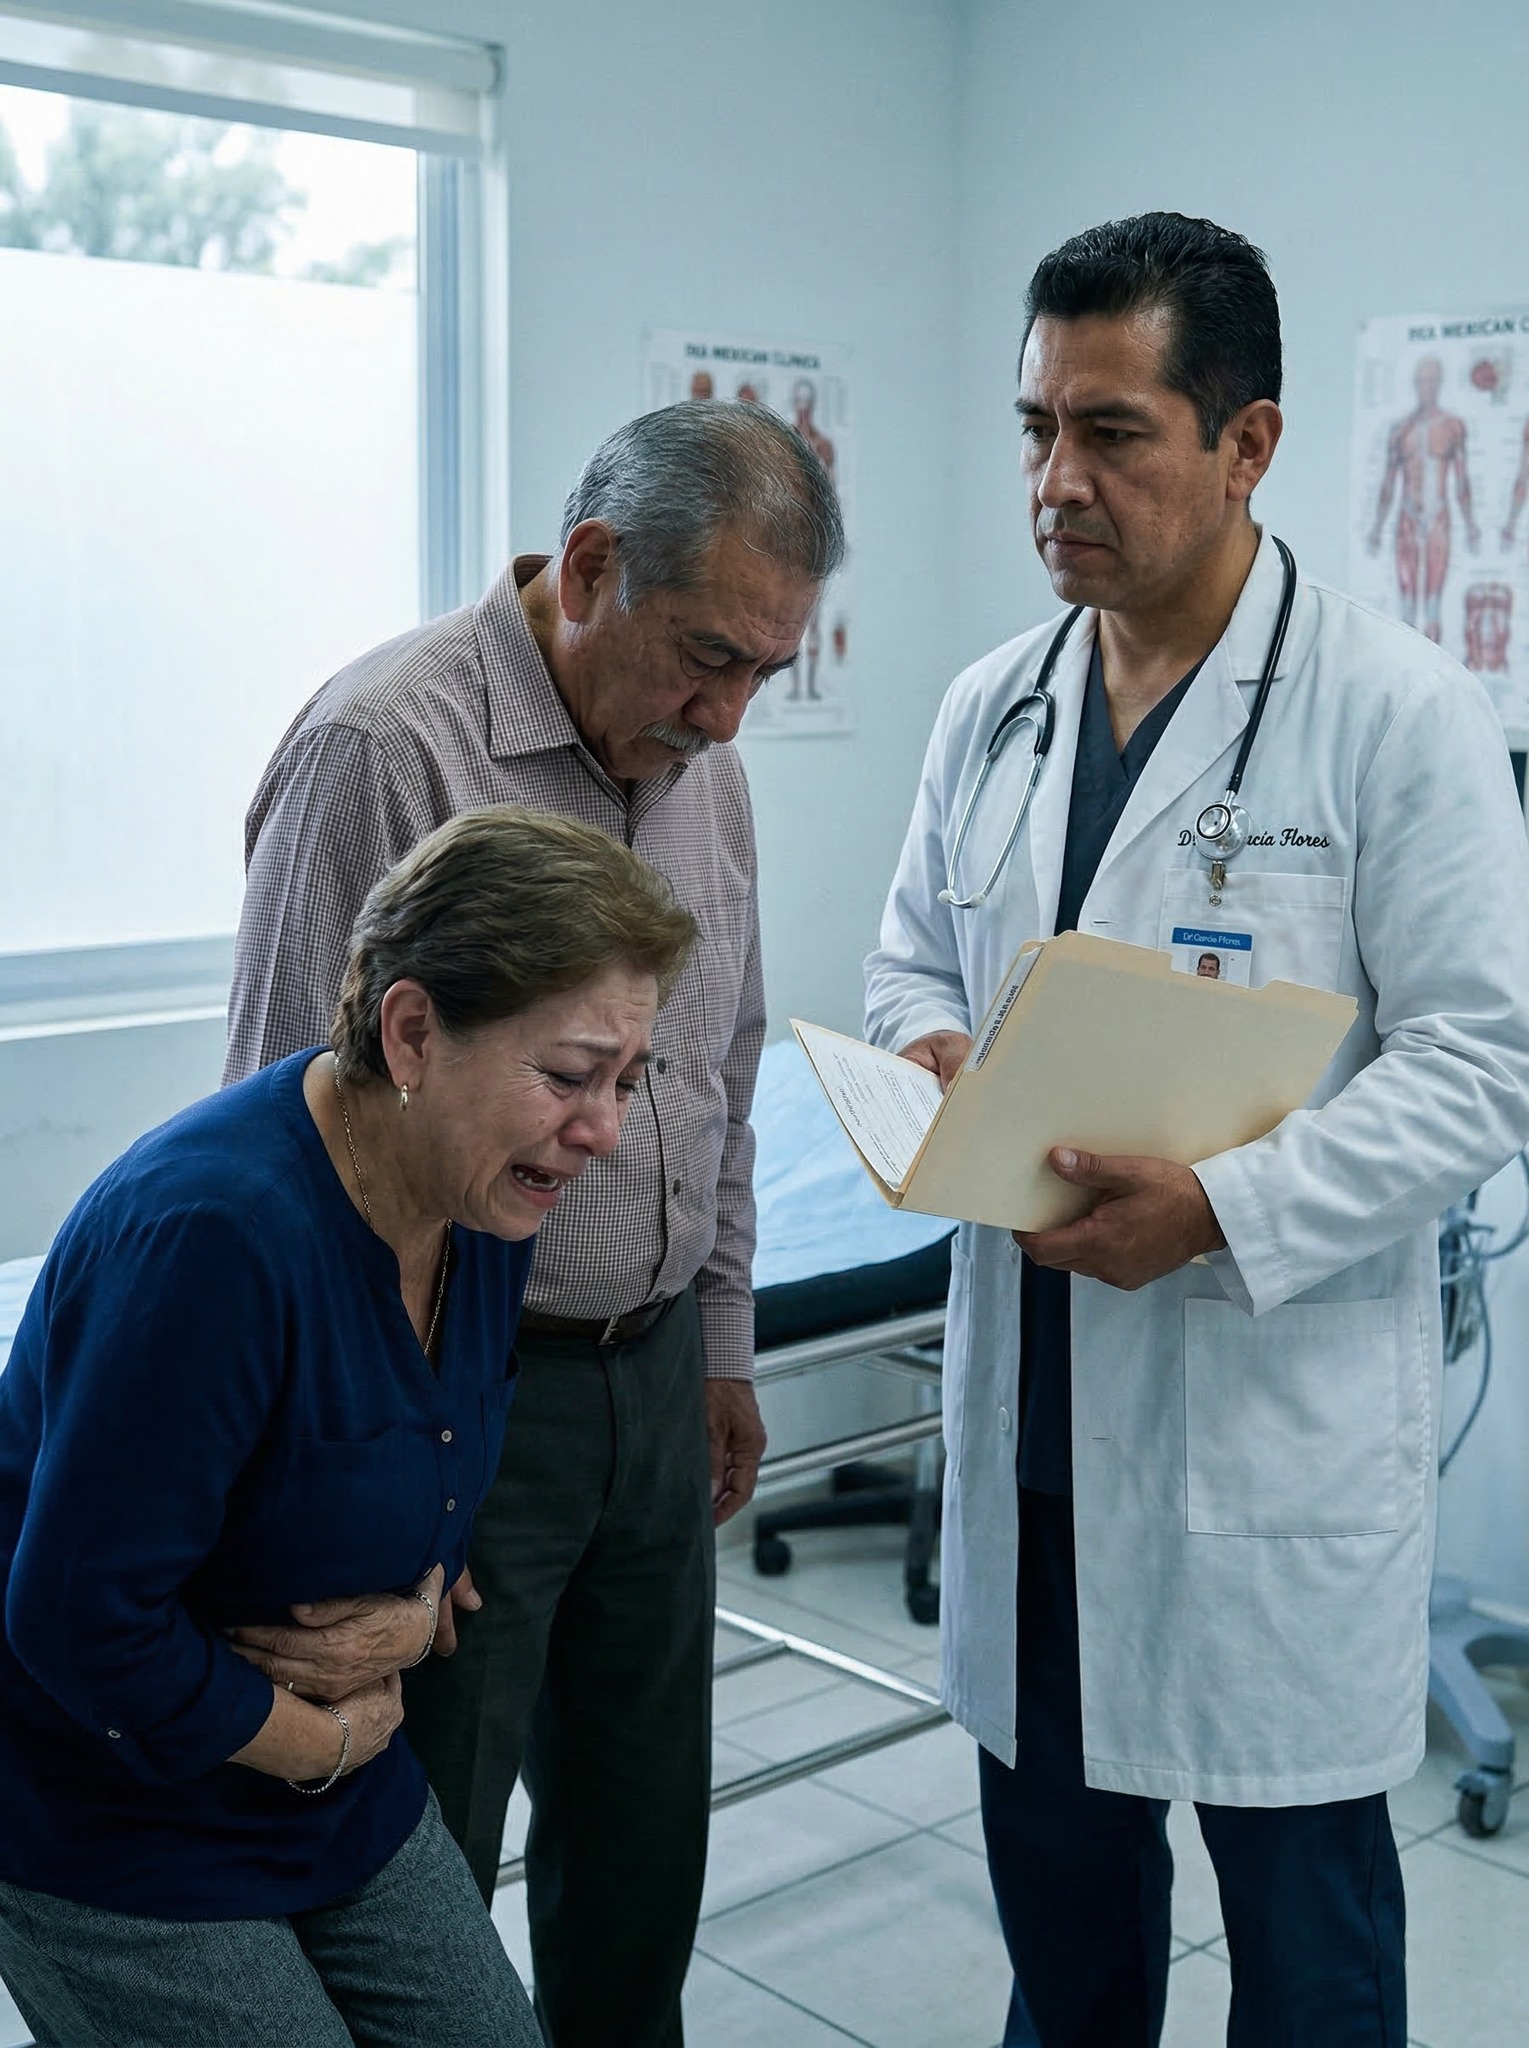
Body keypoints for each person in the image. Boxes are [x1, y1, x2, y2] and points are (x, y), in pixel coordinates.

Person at [864, 212, 1529, 2047]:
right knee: (1066, 1952)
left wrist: (1225, 1206)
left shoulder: (1395, 712)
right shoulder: (990, 708)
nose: (1053, 482)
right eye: (1033, 429)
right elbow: (905, 955)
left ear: (1245, 444)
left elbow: (1485, 1061)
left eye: (1109, 433)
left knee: (1308, 1969)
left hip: (1260, 1440)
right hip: (1034, 1435)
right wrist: (929, 1049)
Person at [223, 399, 844, 2048]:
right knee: (420, 1859)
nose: (726, 714)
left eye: (764, 673)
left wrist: (718, 1339)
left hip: (651, 1374)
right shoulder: (384, 748)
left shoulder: (705, 772)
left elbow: (718, 1069)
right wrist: (362, 1477)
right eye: (705, 656)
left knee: (639, 1851)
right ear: (586, 569)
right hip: (457, 1394)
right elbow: (281, 1154)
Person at [0, 805, 696, 2048]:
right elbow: (74, 1619)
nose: (603, 1130)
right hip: (112, 1804)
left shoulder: (479, 1203)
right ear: (412, 1030)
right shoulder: (214, 1236)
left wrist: (417, 1613)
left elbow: (434, 1480)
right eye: (567, 1074)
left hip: (337, 1773)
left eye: (625, 1081)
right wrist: (318, 1739)